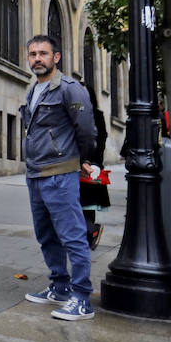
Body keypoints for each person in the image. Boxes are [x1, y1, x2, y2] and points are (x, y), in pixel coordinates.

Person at [20, 35, 98, 321]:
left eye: (43, 53)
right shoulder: (34, 90)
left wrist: (86, 159)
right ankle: (60, 286)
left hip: (60, 171)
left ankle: (81, 298)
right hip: (36, 173)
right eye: (32, 54)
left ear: (56, 58)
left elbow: (86, 129)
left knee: (72, 235)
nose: (37, 58)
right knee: (46, 235)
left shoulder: (69, 88)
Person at [79, 81, 109, 250]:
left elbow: (101, 139)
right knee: (81, 201)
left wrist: (94, 162)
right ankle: (90, 233)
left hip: (91, 165)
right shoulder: (74, 113)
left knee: (86, 202)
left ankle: (91, 231)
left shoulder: (97, 115)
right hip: (77, 163)